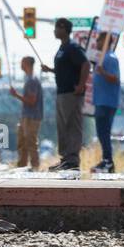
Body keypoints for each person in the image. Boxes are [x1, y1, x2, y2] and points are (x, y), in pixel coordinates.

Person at [41, 18, 90, 171]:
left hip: (72, 93)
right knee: (62, 126)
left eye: (56, 28)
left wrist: (81, 85)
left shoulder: (72, 47)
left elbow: (86, 64)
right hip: (62, 92)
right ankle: (65, 159)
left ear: (63, 29)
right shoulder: (62, 49)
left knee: (73, 126)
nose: (54, 31)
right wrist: (50, 70)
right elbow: (65, 70)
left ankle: (73, 160)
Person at [8, 56, 44, 168]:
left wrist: (16, 95)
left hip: (32, 117)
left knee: (30, 141)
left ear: (27, 64)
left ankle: (35, 166)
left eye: (22, 62)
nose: (20, 64)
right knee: (22, 142)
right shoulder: (29, 79)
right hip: (26, 116)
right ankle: (22, 165)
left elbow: (32, 101)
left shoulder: (32, 81)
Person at [91, 46, 121, 173]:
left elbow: (114, 78)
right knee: (101, 133)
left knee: (104, 132)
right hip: (100, 101)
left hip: (106, 102)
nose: (97, 43)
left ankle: (108, 162)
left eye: (99, 41)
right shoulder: (102, 59)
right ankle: (106, 159)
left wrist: (102, 72)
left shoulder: (110, 58)